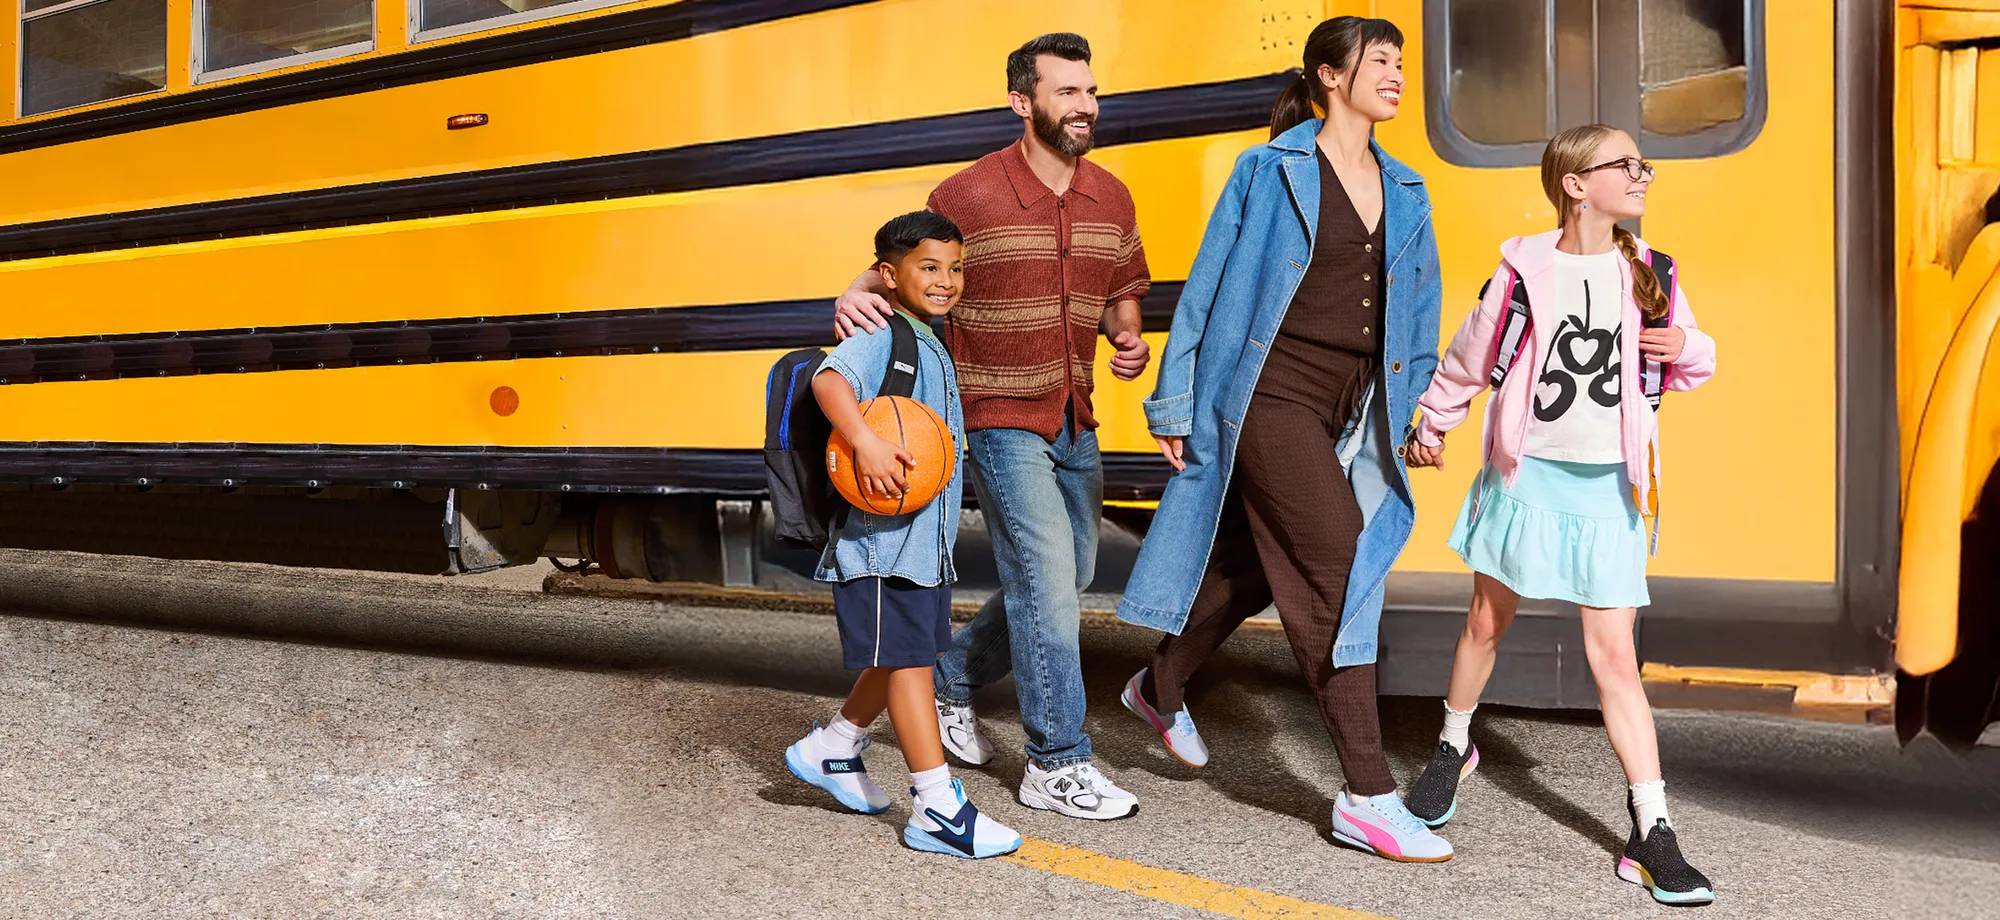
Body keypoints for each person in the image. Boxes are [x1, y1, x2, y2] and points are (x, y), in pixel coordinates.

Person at [1114, 16, 1452, 863]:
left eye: (1400, 62)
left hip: (1350, 406)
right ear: (1330, 76)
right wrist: (1174, 404)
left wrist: (1417, 412)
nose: (1397, 74)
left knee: (1257, 564)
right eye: (1381, 61)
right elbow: (1207, 288)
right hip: (1267, 394)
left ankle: (1160, 683)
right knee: (1341, 566)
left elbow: (1418, 312)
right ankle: (1367, 795)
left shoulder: (1407, 187)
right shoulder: (1269, 170)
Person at [833, 32, 1150, 820]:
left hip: (1074, 414)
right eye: (1067, 92)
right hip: (998, 415)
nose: (1085, 105)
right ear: (1022, 102)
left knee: (1072, 573)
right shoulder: (968, 194)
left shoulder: (1113, 196)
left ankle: (951, 678)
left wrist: (1127, 334)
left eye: (1090, 91)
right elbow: (902, 263)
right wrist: (852, 292)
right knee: (1046, 581)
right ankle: (1057, 763)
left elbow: (1123, 284)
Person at [1401, 124, 1719, 904]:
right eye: (1625, 164)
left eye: (1643, 164)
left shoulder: (1652, 270)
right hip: (1528, 479)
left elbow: (1696, 362)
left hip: (1610, 490)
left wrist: (1683, 341)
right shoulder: (1523, 270)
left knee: (1615, 661)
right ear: (1576, 184)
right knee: (1486, 621)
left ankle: (1652, 830)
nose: (1642, 174)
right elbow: (1470, 356)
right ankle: (1453, 745)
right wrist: (1432, 423)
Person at [785, 211, 1020, 859]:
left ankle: (833, 747)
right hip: (881, 544)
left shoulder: (923, 336)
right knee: (911, 662)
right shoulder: (882, 330)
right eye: (929, 267)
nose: (946, 281)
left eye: (956, 268)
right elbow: (829, 380)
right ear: (890, 275)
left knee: (901, 653)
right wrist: (863, 441)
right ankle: (937, 807)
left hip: (917, 547)